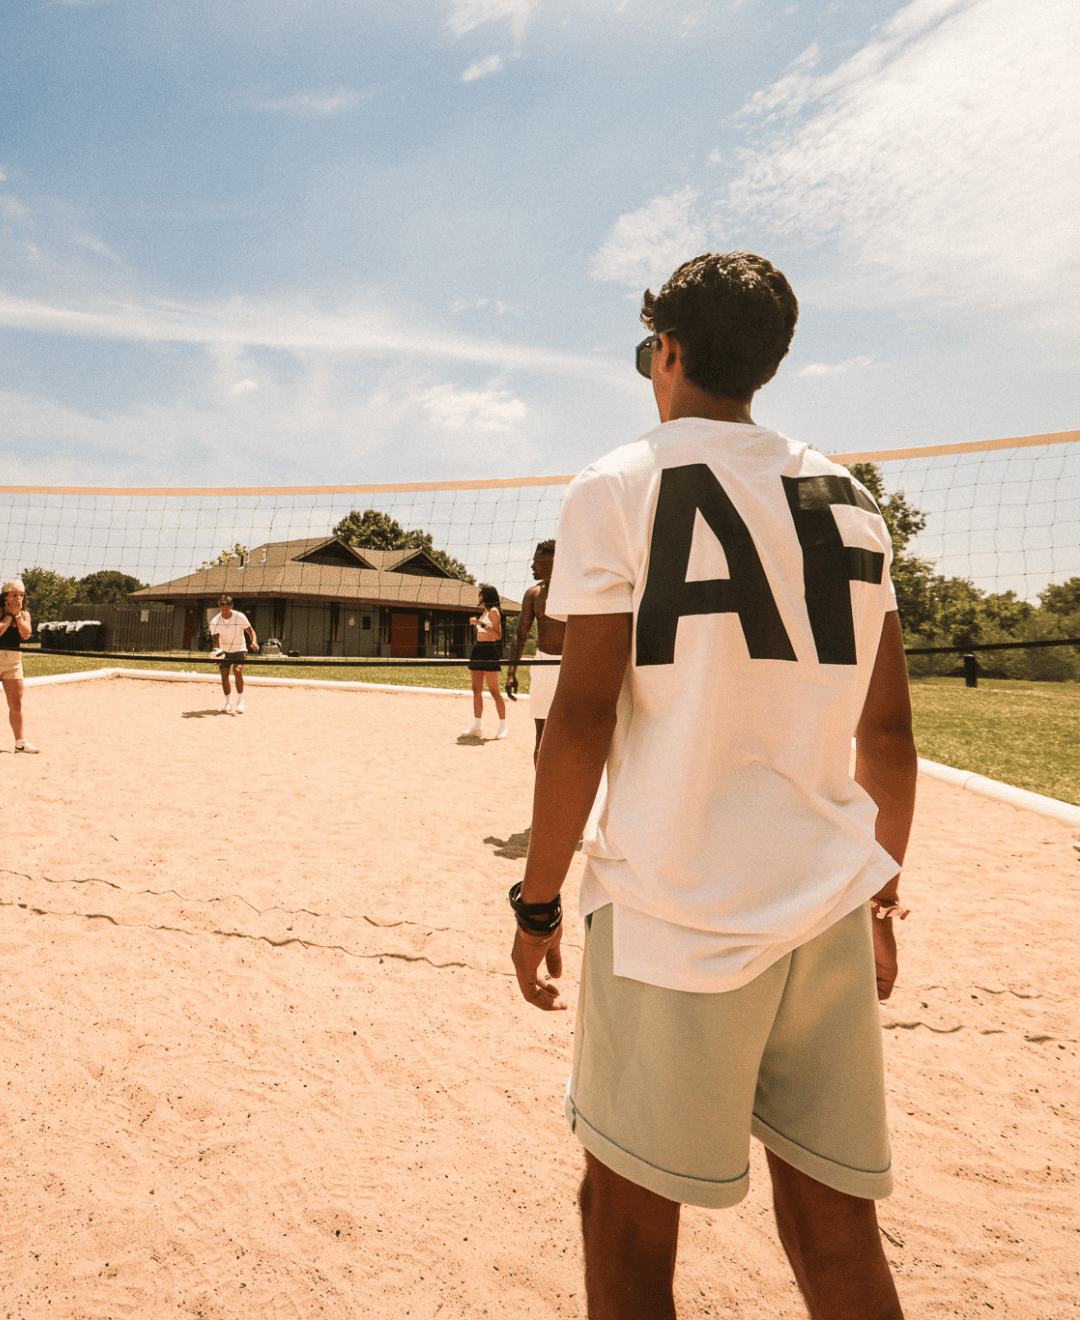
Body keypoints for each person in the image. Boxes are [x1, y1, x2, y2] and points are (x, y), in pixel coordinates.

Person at [510, 251, 918, 1319]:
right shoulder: (853, 503)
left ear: (672, 351)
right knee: (835, 1230)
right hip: (824, 906)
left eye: (651, 350)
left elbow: (583, 719)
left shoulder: (616, 482)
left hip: (675, 911)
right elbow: (890, 737)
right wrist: (879, 898)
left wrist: (537, 899)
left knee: (625, 1223)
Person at [507, 540, 565, 764]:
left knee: (569, 732)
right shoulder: (534, 594)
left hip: (569, 665)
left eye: (536, 561)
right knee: (541, 735)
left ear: (552, 561)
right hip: (542, 665)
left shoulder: (575, 591)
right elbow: (520, 635)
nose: (532, 565)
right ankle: (541, 794)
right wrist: (512, 672)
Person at [460, 585, 509, 740]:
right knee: (476, 690)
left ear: (486, 595)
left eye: (480, 594)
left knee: (494, 691)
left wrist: (480, 624)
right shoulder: (485, 611)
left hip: (489, 651)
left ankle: (503, 726)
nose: (478, 596)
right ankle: (477, 725)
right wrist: (478, 623)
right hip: (478, 650)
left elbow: (498, 635)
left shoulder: (494, 611)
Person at [1, 578, 38, 754]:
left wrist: (16, 615)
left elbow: (26, 634)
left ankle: (20, 744)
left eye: (21, 595)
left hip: (13, 662)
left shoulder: (24, 615)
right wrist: (8, 616)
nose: (18, 599)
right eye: (14, 595)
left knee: (16, 704)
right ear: (5, 597)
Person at [209, 595, 258, 715]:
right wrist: (216, 656)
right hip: (225, 650)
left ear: (231, 606)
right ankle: (228, 702)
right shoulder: (214, 622)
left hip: (239, 648)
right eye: (222, 608)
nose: (224, 611)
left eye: (227, 608)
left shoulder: (239, 617)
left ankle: (241, 701)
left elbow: (250, 631)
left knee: (237, 670)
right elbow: (216, 642)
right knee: (224, 673)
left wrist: (253, 642)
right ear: (219, 607)